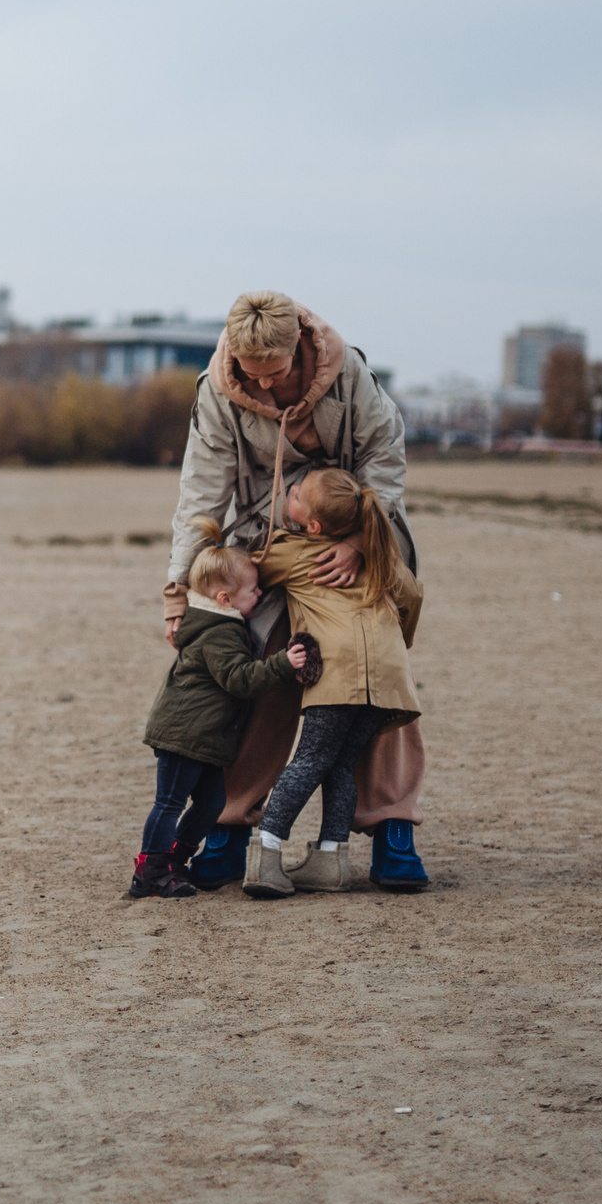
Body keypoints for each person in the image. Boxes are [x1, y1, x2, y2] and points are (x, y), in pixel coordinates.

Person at [163, 290, 432, 893]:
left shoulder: (350, 373)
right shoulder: (217, 390)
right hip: (264, 543)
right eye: (251, 375)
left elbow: (385, 457)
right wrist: (178, 591)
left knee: (374, 671)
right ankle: (231, 824)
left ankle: (393, 826)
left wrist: (361, 541)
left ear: (300, 349)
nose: (263, 387)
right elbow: (201, 492)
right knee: (260, 666)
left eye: (276, 373)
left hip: (354, 534)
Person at [240, 469, 423, 898]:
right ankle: (330, 859)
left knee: (310, 758)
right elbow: (412, 596)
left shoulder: (296, 552)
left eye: (297, 495)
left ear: (314, 527)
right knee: (340, 763)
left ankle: (266, 853)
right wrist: (400, 642)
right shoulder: (379, 552)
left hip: (339, 674)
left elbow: (251, 568)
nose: (290, 490)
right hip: (387, 678)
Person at [132, 518, 310, 899]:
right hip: (184, 735)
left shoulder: (223, 625)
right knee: (169, 802)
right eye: (253, 590)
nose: (260, 594)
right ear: (225, 599)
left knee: (213, 802)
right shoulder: (220, 632)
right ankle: (150, 870)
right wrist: (283, 663)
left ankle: (175, 858)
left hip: (205, 739)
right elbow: (239, 679)